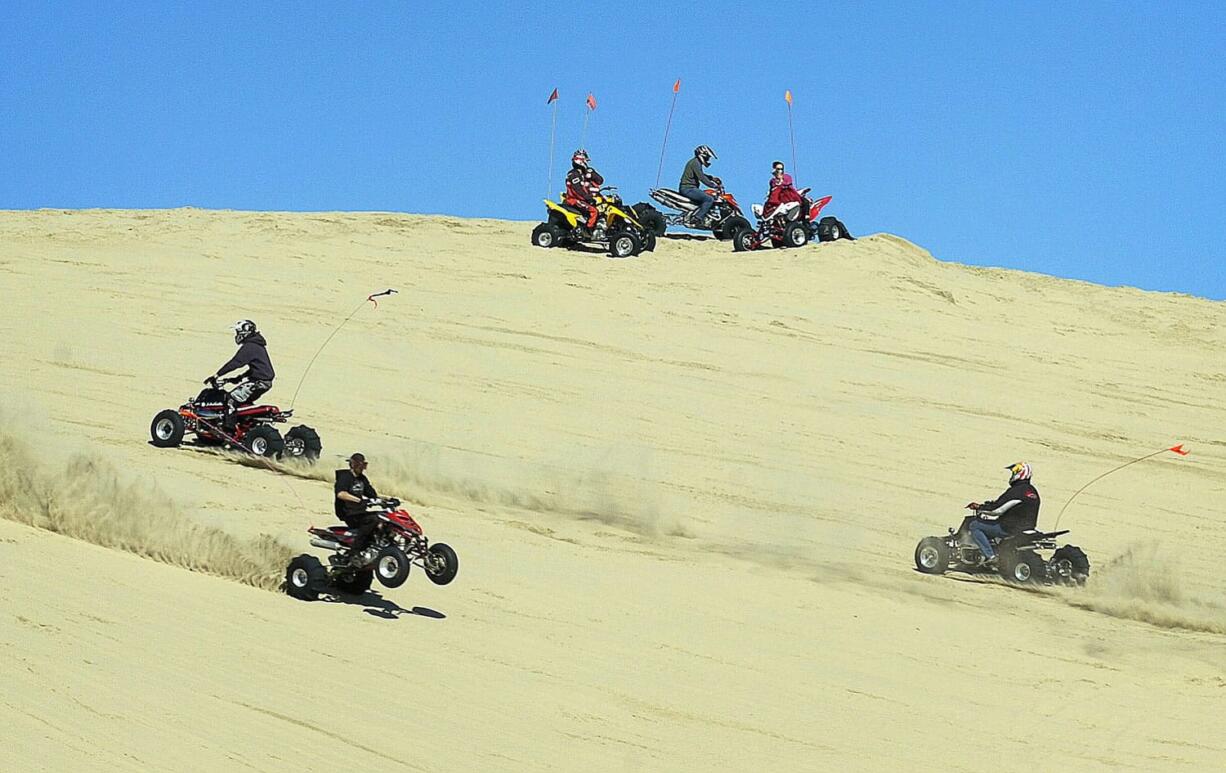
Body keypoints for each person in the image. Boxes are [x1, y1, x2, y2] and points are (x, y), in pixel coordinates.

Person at [967, 462, 1041, 566]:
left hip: (1009, 528)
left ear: (1019, 473)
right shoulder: (1032, 491)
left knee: (975, 525)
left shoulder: (1016, 491)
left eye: (1014, 472)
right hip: (1028, 527)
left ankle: (990, 556)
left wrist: (980, 507)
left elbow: (996, 510)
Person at [208, 319, 275, 431]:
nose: (237, 335)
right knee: (243, 403)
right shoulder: (258, 346)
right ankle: (245, 424)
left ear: (245, 332)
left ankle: (229, 429)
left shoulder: (250, 346)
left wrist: (217, 375)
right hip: (264, 382)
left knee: (231, 400)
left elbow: (236, 363)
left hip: (258, 382)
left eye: (238, 332)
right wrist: (238, 378)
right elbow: (258, 368)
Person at [334, 452, 380, 565]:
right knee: (372, 520)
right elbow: (341, 494)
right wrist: (359, 500)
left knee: (383, 518)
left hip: (359, 511)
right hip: (348, 512)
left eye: (363, 465)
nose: (361, 468)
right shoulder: (345, 477)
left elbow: (372, 495)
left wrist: (386, 500)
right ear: (353, 465)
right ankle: (354, 552)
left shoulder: (362, 479)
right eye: (359, 465)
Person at [564, 149, 605, 238]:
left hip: (586, 198)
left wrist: (592, 173)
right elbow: (577, 190)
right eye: (585, 161)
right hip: (574, 200)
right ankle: (588, 231)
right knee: (594, 211)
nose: (586, 163)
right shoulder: (573, 174)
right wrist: (589, 198)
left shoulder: (585, 173)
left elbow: (600, 180)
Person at [678, 145, 721, 227]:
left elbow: (700, 174)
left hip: (688, 188)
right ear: (702, 155)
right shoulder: (696, 163)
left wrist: (712, 178)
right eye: (707, 157)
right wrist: (714, 186)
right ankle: (697, 218)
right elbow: (701, 178)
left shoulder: (695, 162)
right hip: (688, 188)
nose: (708, 159)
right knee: (709, 199)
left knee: (705, 197)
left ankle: (698, 214)